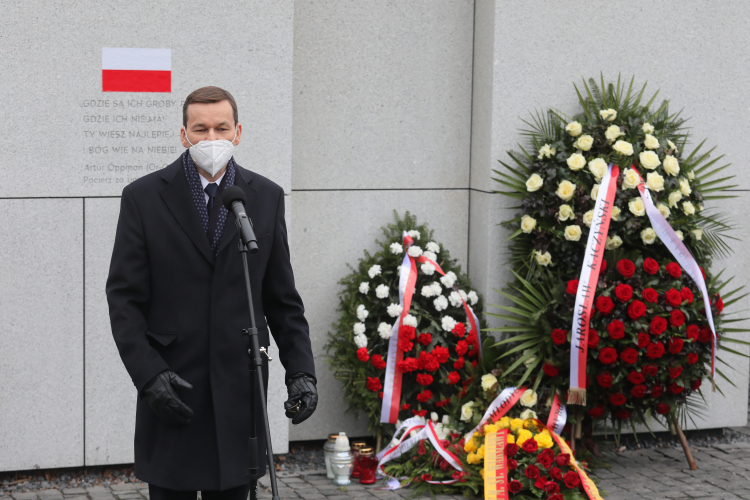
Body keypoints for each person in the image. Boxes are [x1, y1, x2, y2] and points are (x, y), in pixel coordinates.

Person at [106, 86, 318, 500]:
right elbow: (124, 299)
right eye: (199, 129)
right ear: (183, 134)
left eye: (221, 128)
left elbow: (281, 298)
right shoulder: (143, 197)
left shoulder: (266, 197)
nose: (211, 139)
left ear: (238, 132)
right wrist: (149, 376)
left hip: (240, 386)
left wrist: (302, 371)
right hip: (173, 386)